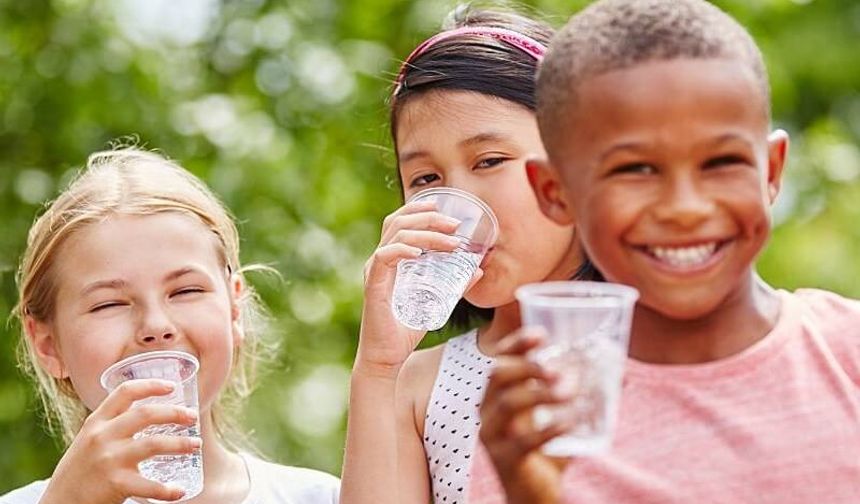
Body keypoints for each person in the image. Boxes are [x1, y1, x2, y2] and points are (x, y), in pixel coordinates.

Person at [469, 0, 860, 502]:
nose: (685, 208)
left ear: (771, 170)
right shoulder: (546, 421)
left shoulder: (847, 353)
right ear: (555, 191)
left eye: (721, 161)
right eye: (636, 170)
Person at [339, 6, 596, 504]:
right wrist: (376, 367)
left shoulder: (658, 343)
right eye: (426, 180)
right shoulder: (416, 386)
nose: (462, 205)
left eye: (490, 160)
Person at [1, 148, 340, 504]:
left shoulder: (324, 497)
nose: (156, 325)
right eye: (109, 304)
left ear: (233, 309)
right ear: (48, 345)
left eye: (185, 290)